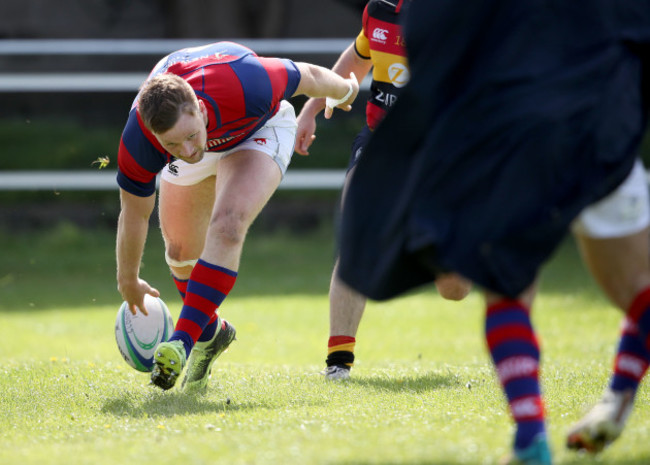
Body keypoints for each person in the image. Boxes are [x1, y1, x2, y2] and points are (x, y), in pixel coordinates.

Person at [336, 1, 650, 464]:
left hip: (525, 134)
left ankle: (530, 440)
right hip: (606, 124)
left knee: (506, 289)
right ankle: (619, 396)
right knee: (637, 289)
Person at [116, 41, 359, 392]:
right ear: (154, 135)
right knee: (181, 252)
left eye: (189, 137)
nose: (187, 151)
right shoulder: (140, 139)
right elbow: (135, 213)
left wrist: (345, 88)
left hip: (256, 128)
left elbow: (307, 75)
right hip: (212, 128)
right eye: (171, 145)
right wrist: (128, 278)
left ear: (199, 108)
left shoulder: (248, 82)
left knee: (228, 226)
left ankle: (181, 343)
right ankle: (211, 334)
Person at [295, 0, 471, 380]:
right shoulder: (379, 11)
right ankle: (338, 363)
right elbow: (359, 57)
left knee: (453, 287)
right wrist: (312, 107)